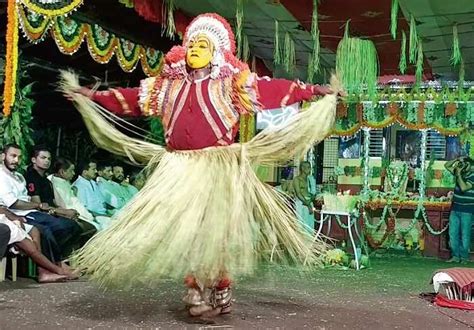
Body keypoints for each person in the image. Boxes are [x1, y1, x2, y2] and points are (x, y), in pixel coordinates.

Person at [61, 12, 340, 317]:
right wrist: (92, 96)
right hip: (177, 169)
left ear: (216, 54)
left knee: (213, 233)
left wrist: (313, 90)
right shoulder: (166, 86)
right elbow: (128, 99)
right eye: (191, 44)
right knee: (188, 232)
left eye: (203, 45)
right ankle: (196, 287)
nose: (194, 49)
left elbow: (272, 90)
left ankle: (218, 284)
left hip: (217, 169)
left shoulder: (233, 85)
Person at [0, 144, 82, 265]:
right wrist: (38, 206)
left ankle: (57, 262)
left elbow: (30, 200)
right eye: (13, 156)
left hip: (33, 211)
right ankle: (53, 264)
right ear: (2, 156)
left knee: (72, 226)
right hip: (19, 214)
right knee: (49, 230)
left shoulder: (19, 177)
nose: (16, 160)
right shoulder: (5, 176)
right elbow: (14, 203)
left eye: (19, 157)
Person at [25, 146, 97, 241]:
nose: (47, 161)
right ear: (34, 159)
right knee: (74, 226)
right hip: (40, 214)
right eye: (43, 158)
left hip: (52, 212)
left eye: (49, 158)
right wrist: (63, 212)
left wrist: (65, 212)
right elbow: (38, 205)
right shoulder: (31, 177)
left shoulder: (46, 180)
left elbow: (54, 202)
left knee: (86, 226)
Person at [0, 212, 77, 282]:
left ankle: (43, 269)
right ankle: (57, 270)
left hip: (10, 219)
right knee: (31, 243)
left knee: (34, 230)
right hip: (6, 223)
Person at [49, 158, 110, 231]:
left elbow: (76, 202)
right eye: (71, 170)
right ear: (62, 172)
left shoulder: (65, 182)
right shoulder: (53, 184)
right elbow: (65, 205)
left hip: (84, 214)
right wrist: (89, 216)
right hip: (70, 215)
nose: (74, 173)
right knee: (99, 227)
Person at [445, 156, 474, 263]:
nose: (462, 166)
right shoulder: (459, 172)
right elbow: (447, 165)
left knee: (465, 235)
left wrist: (458, 175)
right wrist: (457, 159)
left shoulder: (472, 176)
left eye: (464, 164)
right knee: (453, 233)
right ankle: (455, 256)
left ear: (470, 166)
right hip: (455, 208)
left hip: (467, 210)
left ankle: (464, 257)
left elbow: (463, 187)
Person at [293, 161, 316, 233]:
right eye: (308, 167)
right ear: (302, 168)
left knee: (309, 226)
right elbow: (298, 194)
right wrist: (308, 204)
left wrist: (311, 201)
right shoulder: (297, 179)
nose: (309, 169)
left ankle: (309, 243)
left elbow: (313, 193)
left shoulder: (310, 179)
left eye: (310, 167)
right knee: (300, 225)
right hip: (301, 203)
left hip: (309, 202)